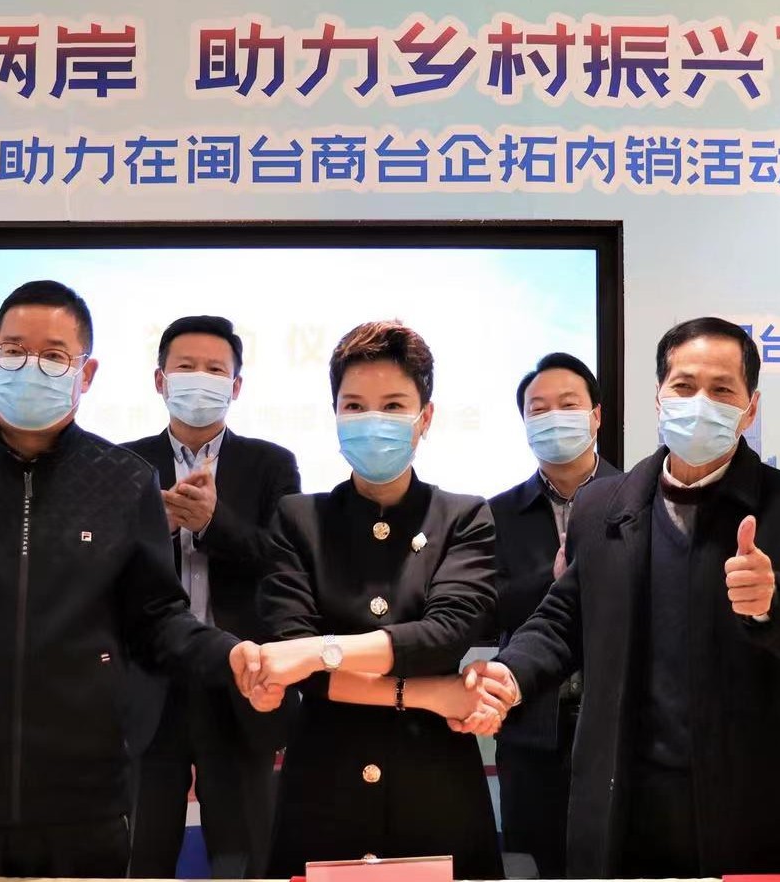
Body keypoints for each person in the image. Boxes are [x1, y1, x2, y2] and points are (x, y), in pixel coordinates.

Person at [0, 281, 268, 878]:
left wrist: (229, 655)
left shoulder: (124, 480)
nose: (31, 367)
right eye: (14, 351)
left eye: (53, 356)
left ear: (85, 373)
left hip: (84, 800)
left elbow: (157, 618)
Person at [469, 317, 780, 879]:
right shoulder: (604, 505)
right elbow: (563, 618)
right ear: (659, 396)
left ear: (750, 408)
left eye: (722, 389)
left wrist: (775, 602)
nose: (700, 403)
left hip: (757, 807)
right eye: (684, 386)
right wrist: (511, 673)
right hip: (626, 811)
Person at [249, 320, 509, 879]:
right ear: (335, 414)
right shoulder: (298, 519)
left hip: (435, 785)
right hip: (324, 784)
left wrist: (319, 651)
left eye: (393, 406)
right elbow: (297, 664)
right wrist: (433, 694)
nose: (373, 420)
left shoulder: (464, 517)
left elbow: (444, 634)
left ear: (425, 417)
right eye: (355, 406)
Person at [121, 316, 302, 878]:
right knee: (140, 855)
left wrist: (212, 522)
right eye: (186, 367)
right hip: (148, 683)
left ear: (236, 386)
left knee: (243, 858)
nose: (200, 378)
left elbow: (285, 562)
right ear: (160, 380)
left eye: (215, 369)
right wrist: (157, 527)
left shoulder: (271, 464)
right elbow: (104, 571)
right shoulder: (123, 464)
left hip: (240, 681)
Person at [486, 352, 619, 879]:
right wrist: (557, 581)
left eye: (568, 404)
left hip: (619, 728)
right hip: (533, 730)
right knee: (533, 864)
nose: (553, 417)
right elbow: (484, 609)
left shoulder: (639, 498)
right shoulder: (494, 513)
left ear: (596, 416)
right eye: (538, 409)